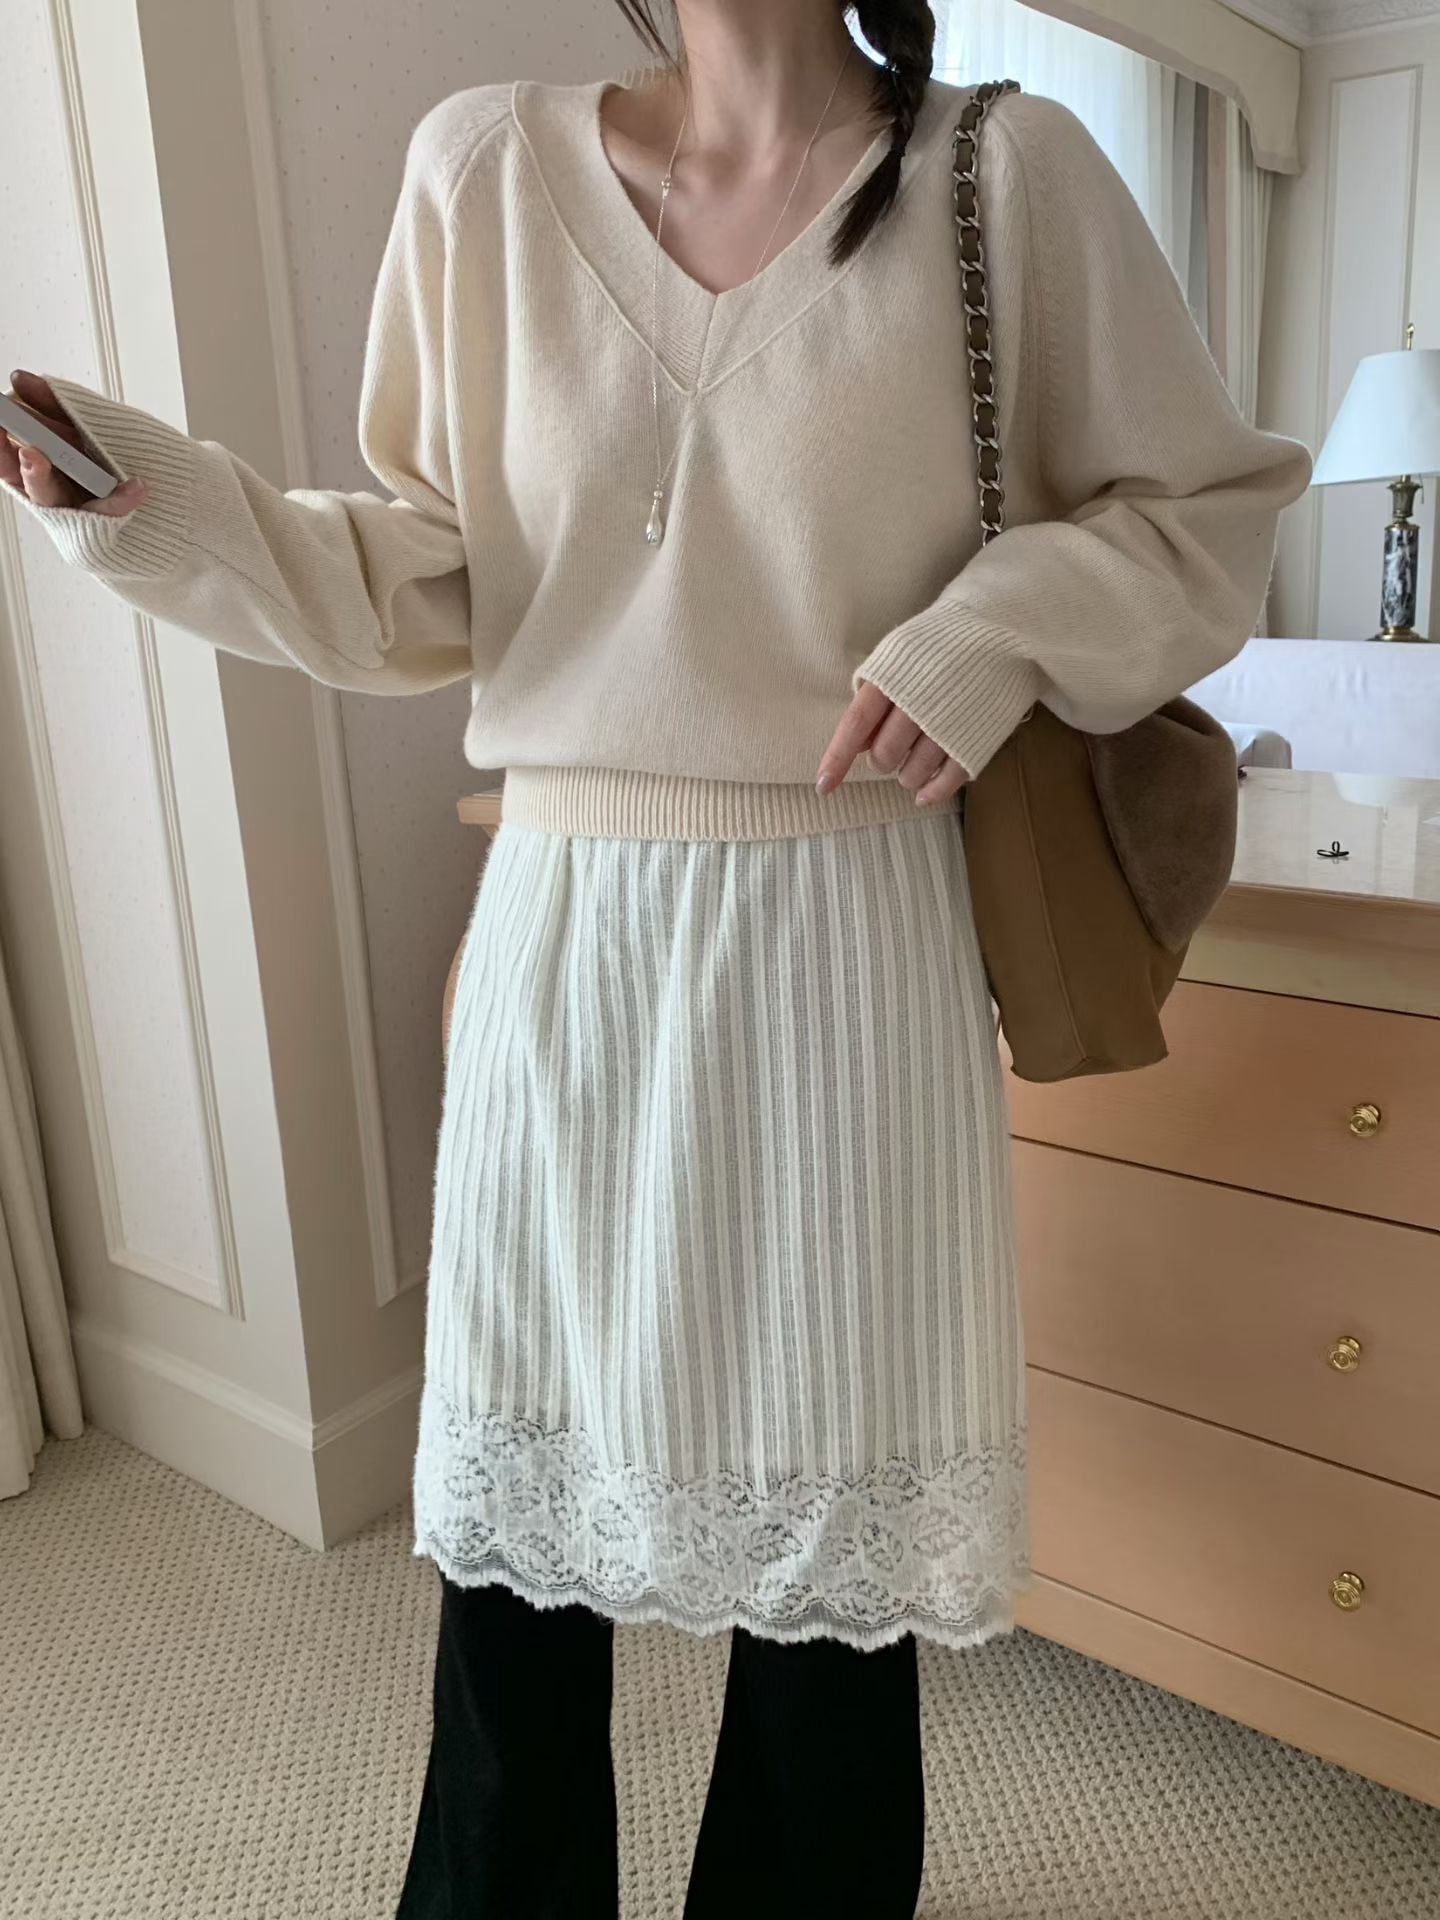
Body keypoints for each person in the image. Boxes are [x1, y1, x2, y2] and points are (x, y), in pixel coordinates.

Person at [3, 1, 1311, 1913]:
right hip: (569, 945)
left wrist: (995, 628)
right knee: (515, 1594)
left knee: (830, 1595)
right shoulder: (482, 170)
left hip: (852, 946)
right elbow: (428, 576)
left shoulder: (1006, 175)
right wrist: (166, 508)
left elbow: (1206, 515)